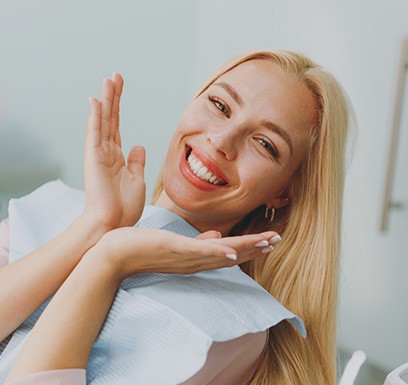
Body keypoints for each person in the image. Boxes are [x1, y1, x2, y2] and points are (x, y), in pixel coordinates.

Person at [0, 49, 351, 385]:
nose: (221, 140)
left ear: (283, 192)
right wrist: (96, 227)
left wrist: (110, 260)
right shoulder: (53, 207)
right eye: (219, 105)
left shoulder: (232, 324)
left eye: (265, 143)